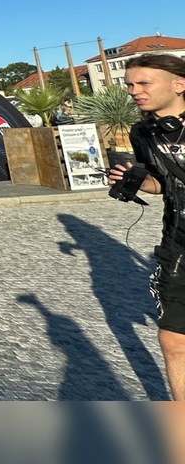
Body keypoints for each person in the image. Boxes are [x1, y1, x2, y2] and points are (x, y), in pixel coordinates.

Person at [109, 53, 185, 400]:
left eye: (143, 83)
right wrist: (135, 181)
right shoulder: (142, 132)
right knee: (173, 341)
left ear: (178, 84)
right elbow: (161, 183)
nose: (134, 91)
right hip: (178, 243)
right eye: (129, 85)